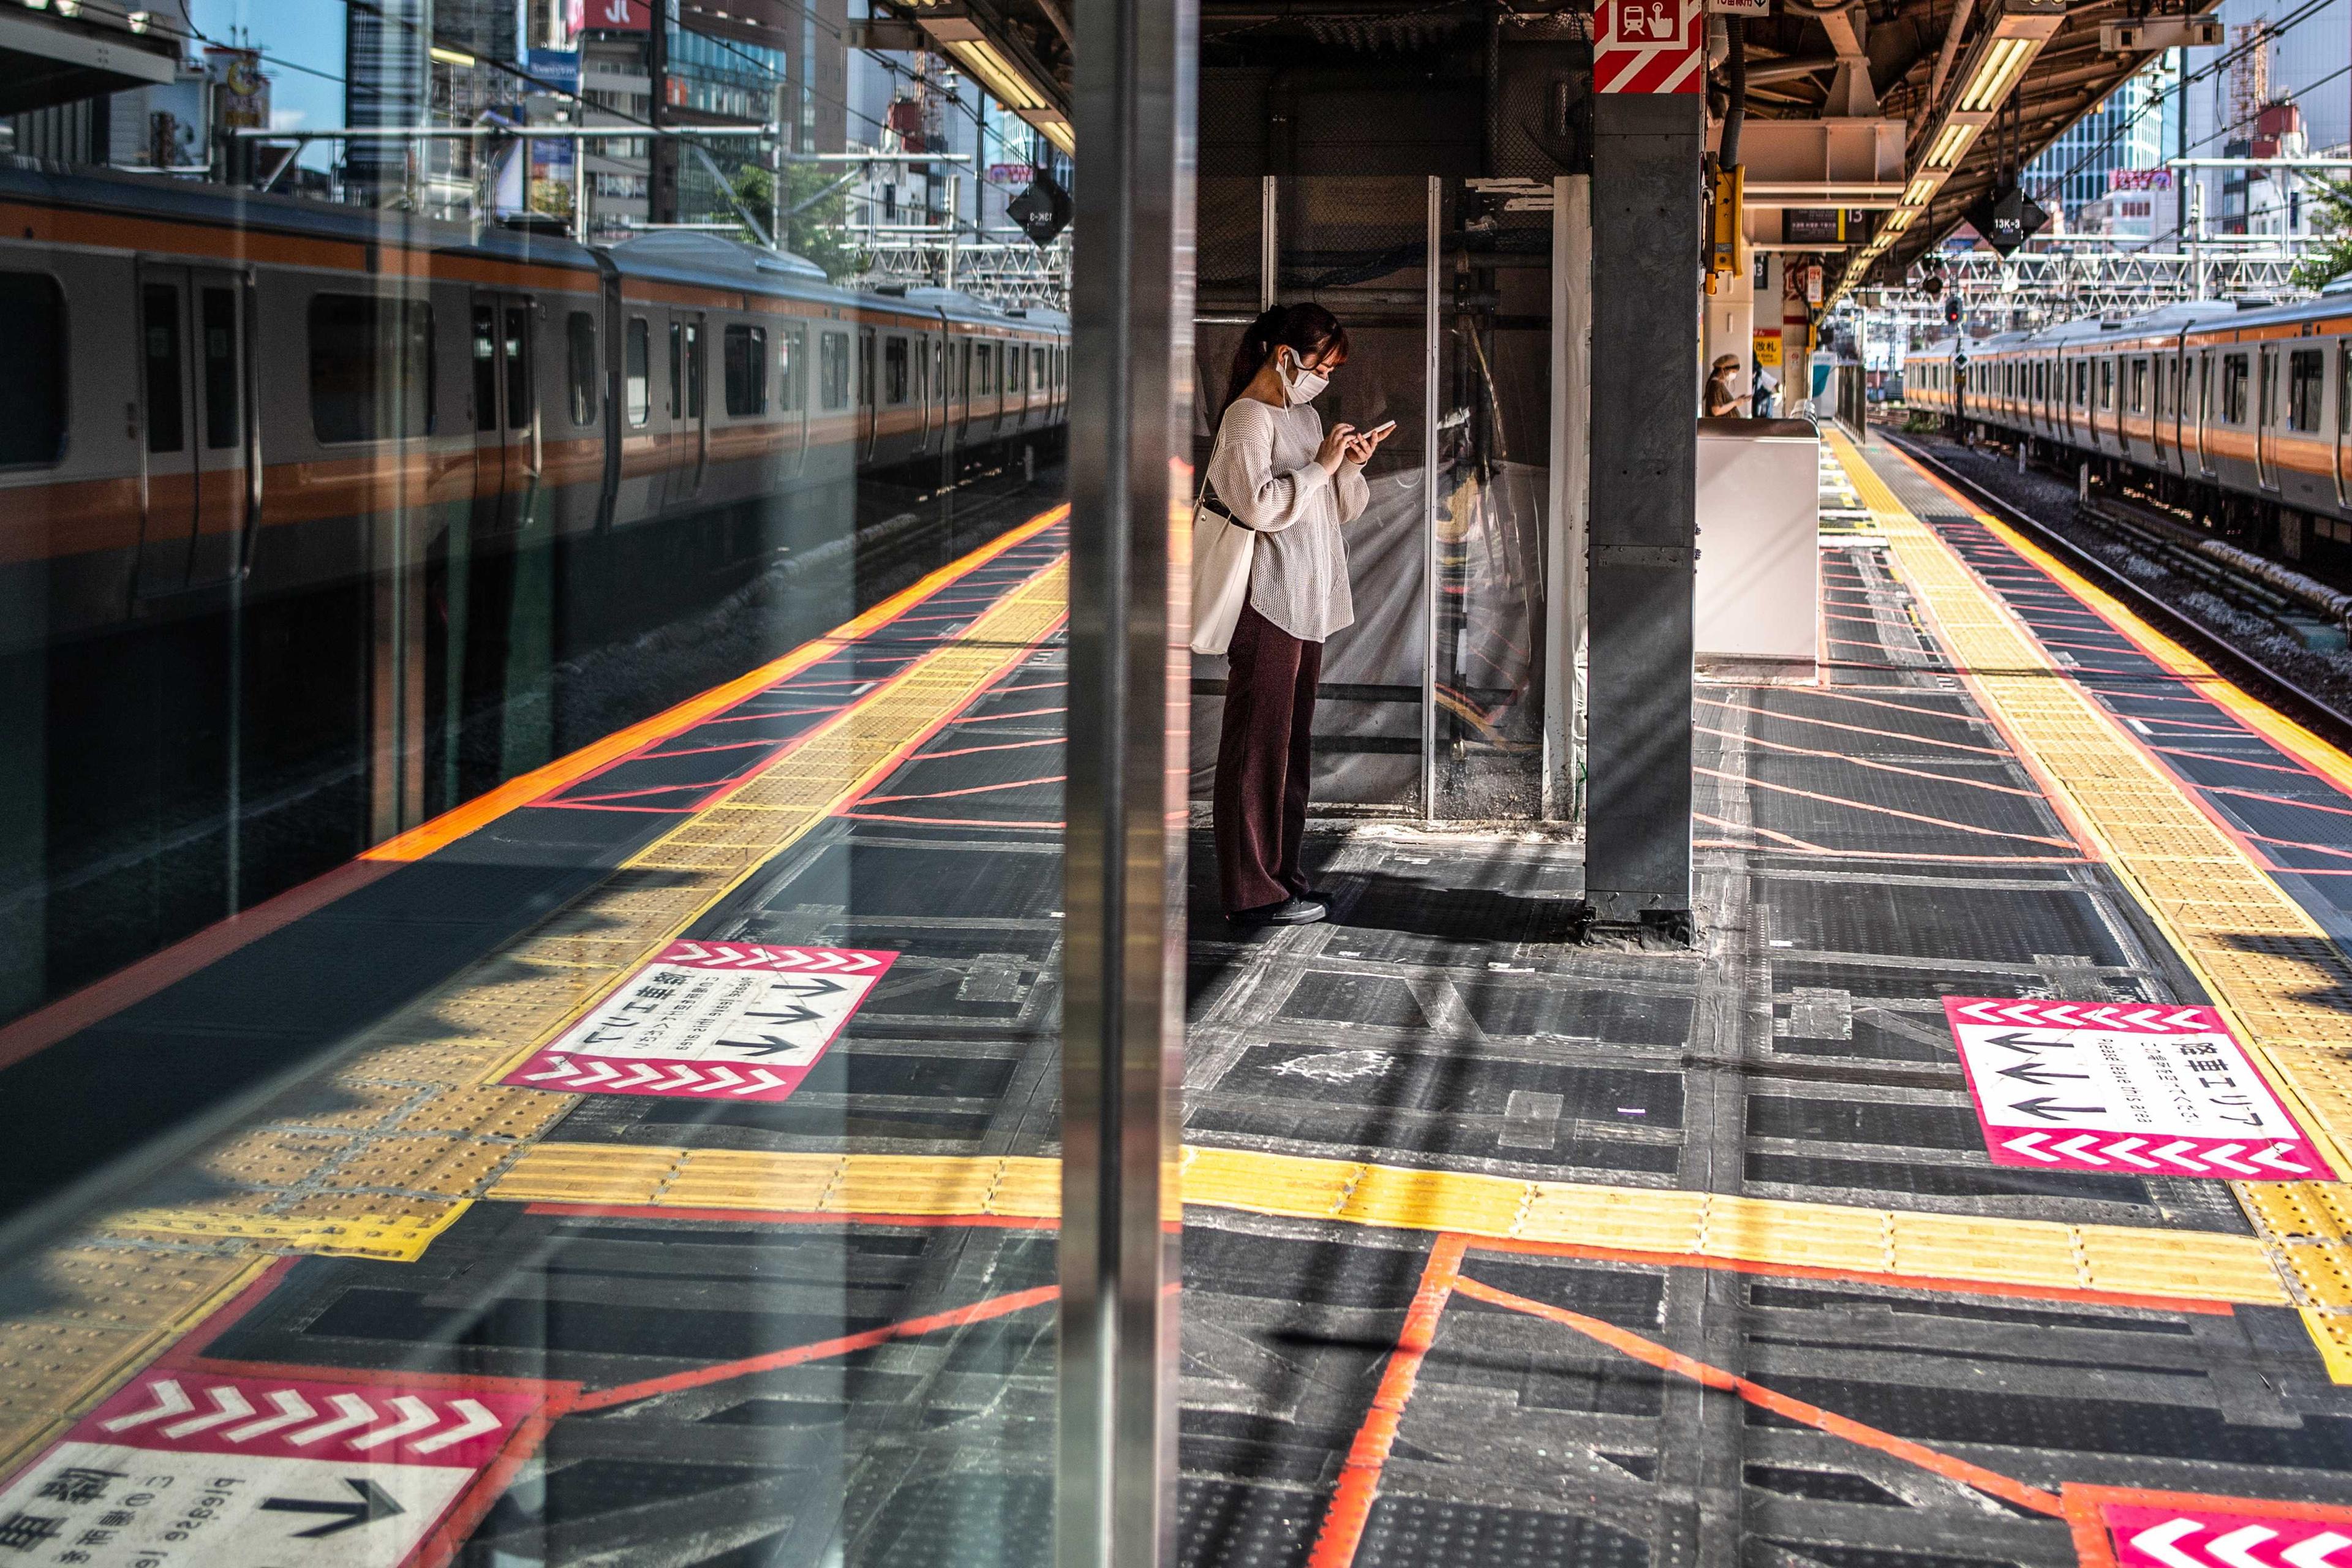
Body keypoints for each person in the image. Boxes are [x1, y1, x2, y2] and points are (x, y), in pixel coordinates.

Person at [1208, 303, 1392, 927]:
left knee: (1289, 749)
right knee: (1256, 750)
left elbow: (1335, 510)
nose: (1326, 380)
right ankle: (1250, 890)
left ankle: (1282, 877)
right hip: (1268, 604)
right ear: (1285, 357)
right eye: (1322, 366)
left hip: (1307, 600)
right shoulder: (1246, 420)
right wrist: (1318, 468)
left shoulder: (1306, 415)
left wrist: (1349, 466)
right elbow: (1257, 507)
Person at [1705, 353, 1746, 418]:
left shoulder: (1719, 384)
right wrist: (1735, 403)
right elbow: (1716, 411)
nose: (1734, 375)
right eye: (1733, 371)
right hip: (1719, 427)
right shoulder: (1716, 385)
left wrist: (1737, 401)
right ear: (1723, 370)